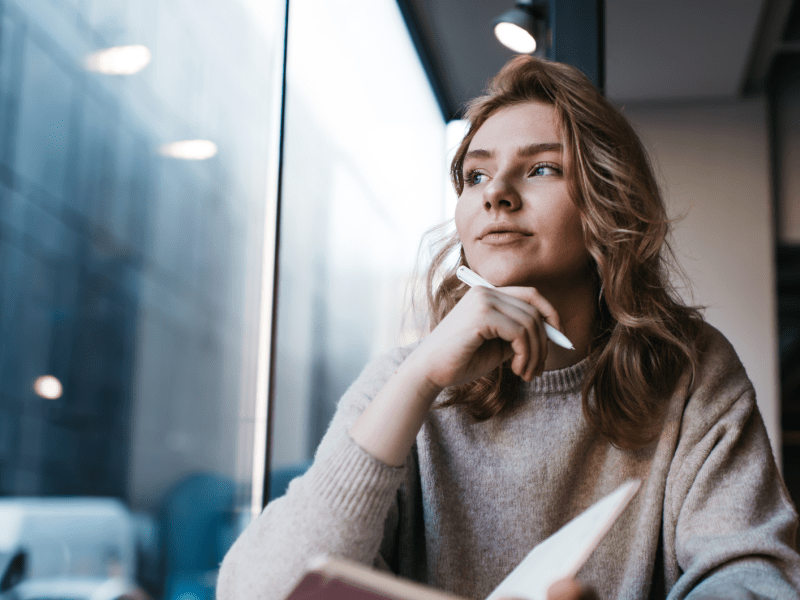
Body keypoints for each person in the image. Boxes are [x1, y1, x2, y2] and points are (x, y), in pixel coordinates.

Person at [216, 56, 800, 600]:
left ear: (607, 200)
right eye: (474, 176)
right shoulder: (400, 382)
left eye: (541, 168)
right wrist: (418, 379)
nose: (495, 193)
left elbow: (750, 576)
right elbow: (257, 591)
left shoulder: (690, 371)